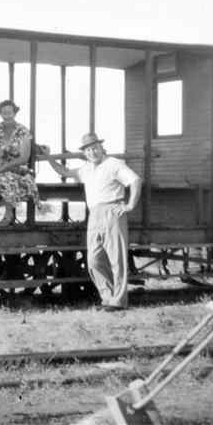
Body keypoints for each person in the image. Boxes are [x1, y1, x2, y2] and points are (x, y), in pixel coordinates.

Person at [42, 132, 140, 311]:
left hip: (112, 211)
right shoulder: (87, 169)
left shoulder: (114, 164)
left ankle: (119, 302)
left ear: (101, 148)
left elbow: (134, 180)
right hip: (94, 214)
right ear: (85, 153)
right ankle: (108, 297)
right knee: (94, 260)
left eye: (95, 148)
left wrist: (130, 205)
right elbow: (64, 171)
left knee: (117, 259)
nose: (92, 153)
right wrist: (48, 156)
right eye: (88, 150)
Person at [0, 99, 41, 227]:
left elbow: (23, 158)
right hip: (0, 168)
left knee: (3, 178)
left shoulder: (23, 131)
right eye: (4, 113)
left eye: (9, 113)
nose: (7, 116)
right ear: (0, 114)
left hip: (20, 170)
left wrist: (2, 168)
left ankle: (9, 215)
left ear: (15, 113)